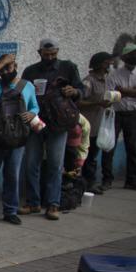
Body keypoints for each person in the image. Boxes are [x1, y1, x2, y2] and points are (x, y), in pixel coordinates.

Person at [20, 38, 84, 220]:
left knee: (56, 165)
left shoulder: (68, 68)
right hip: (36, 123)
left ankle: (53, 204)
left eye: (53, 54)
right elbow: (21, 93)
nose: (50, 57)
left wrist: (75, 92)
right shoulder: (31, 71)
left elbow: (81, 89)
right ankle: (33, 202)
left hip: (58, 123)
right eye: (46, 54)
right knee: (32, 163)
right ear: (39, 53)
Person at [0, 54, 40, 225]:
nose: (4, 71)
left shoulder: (27, 86)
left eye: (8, 67)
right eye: (2, 69)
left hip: (18, 138)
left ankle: (10, 210)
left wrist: (32, 113)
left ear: (16, 66)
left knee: (12, 175)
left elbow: (35, 106)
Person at [103, 43, 136, 191]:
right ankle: (107, 180)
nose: (135, 57)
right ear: (124, 57)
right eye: (132, 54)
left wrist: (123, 91)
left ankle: (132, 180)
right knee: (109, 146)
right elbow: (111, 96)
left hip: (133, 115)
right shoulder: (114, 75)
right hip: (116, 114)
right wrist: (134, 91)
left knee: (133, 148)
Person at [79, 52, 115, 195]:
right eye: (107, 63)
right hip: (88, 126)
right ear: (100, 64)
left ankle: (90, 183)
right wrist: (97, 103)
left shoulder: (105, 81)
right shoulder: (89, 81)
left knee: (92, 157)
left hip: (98, 126)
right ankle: (85, 184)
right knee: (85, 157)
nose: (109, 66)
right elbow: (78, 101)